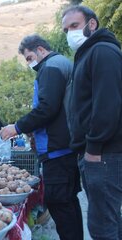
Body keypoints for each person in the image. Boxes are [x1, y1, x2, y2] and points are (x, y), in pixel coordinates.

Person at [0, 34, 83, 240]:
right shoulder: (61, 63)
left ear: (41, 50)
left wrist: (17, 127)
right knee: (68, 203)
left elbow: (47, 108)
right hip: (66, 147)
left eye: (29, 58)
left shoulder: (51, 67)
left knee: (59, 202)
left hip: (59, 150)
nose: (29, 63)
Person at [62, 5, 122, 240]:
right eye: (66, 29)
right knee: (109, 220)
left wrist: (94, 148)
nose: (70, 33)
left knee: (102, 225)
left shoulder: (102, 52)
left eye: (74, 26)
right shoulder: (88, 54)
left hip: (103, 154)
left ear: (92, 24)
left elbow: (108, 104)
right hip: (97, 153)